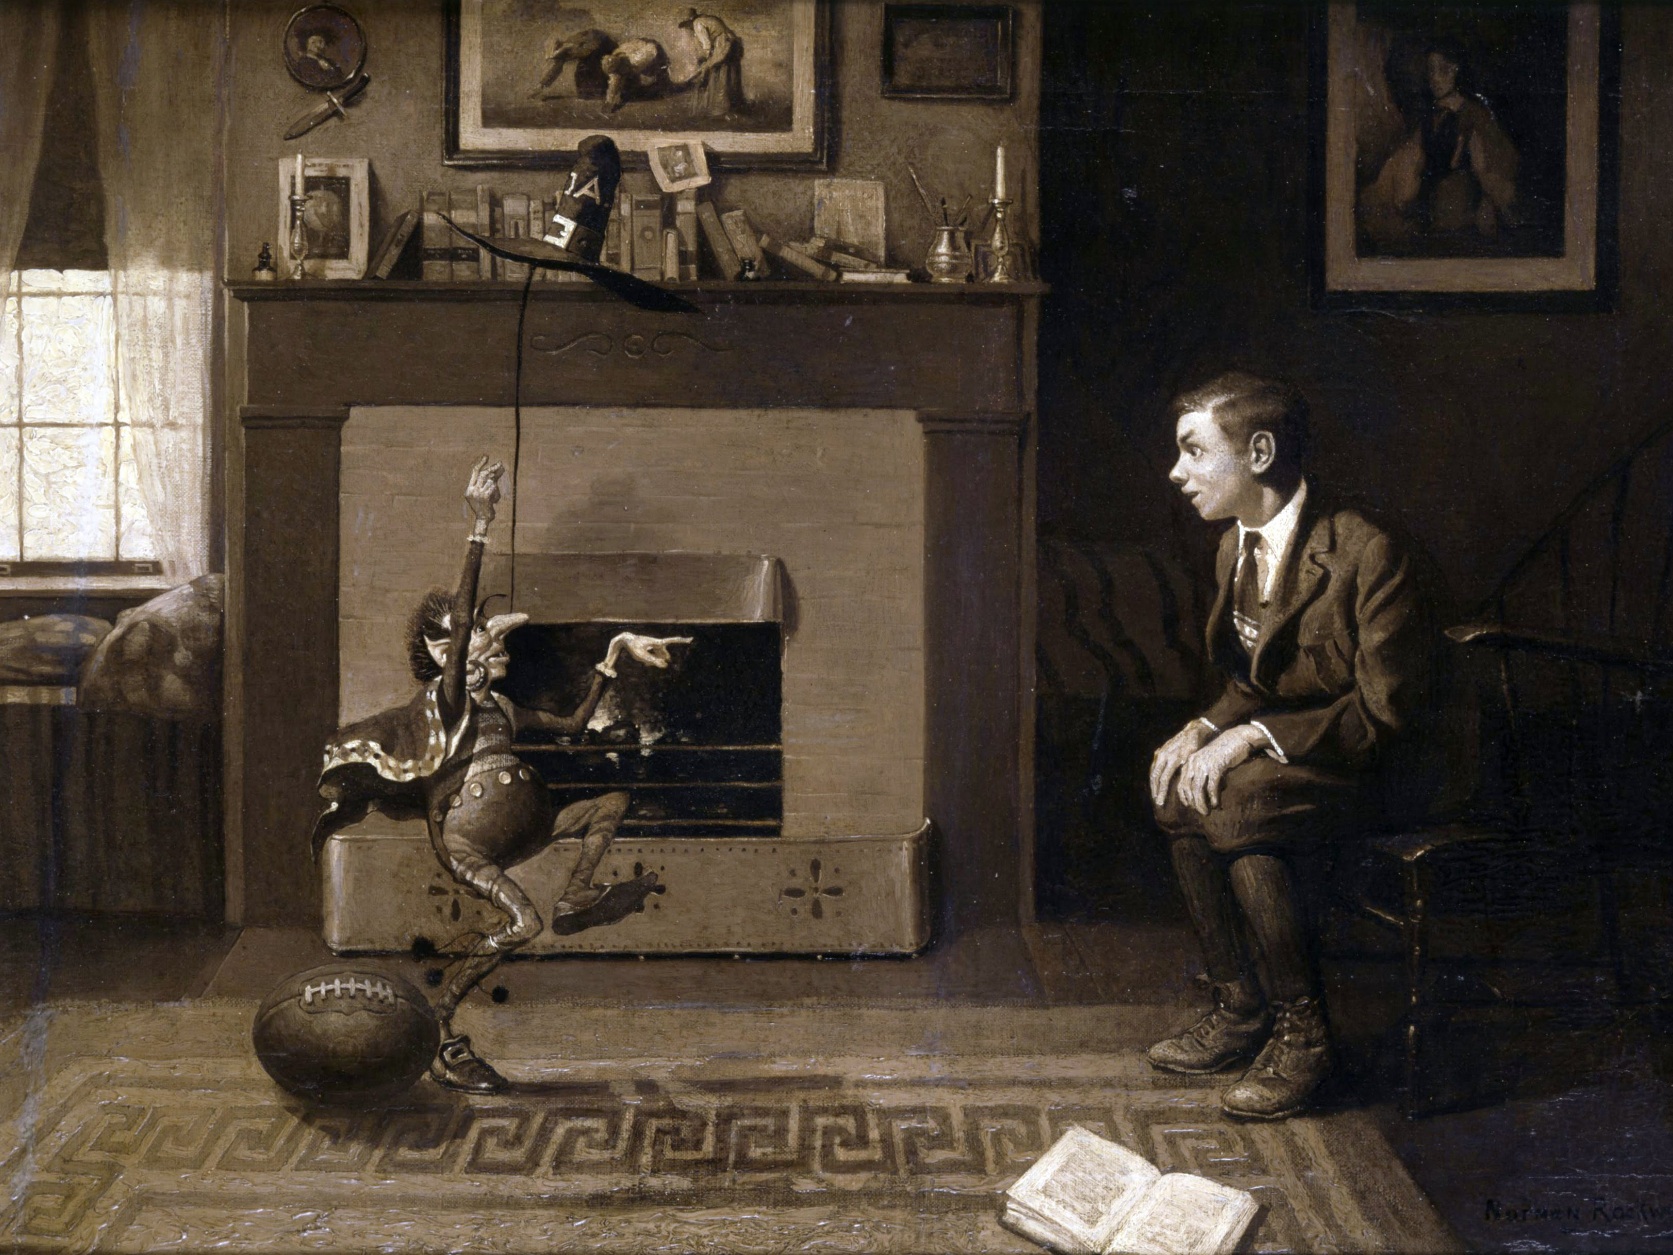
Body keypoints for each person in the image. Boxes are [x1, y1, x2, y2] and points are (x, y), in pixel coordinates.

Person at [311, 457, 688, 1092]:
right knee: (522, 926)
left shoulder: (506, 707)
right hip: (470, 844)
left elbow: (573, 726)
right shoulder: (448, 703)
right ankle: (441, 1027)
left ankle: (577, 895)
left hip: (531, 828)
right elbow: (461, 628)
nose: (489, 646)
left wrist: (615, 651)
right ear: (447, 655)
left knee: (612, 801)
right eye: (475, 641)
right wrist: (479, 525)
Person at [1146, 372, 1438, 1120]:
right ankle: (1241, 1009)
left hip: (1387, 767)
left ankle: (1305, 1035)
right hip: (1302, 762)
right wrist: (1203, 729)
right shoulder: (1233, 551)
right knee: (1182, 790)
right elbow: (1258, 681)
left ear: (1259, 453)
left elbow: (1385, 713)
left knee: (1236, 804)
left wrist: (1252, 736)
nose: (1176, 472)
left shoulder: (1367, 551)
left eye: (1193, 451)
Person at [1361, 41, 1519, 249]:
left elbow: (1486, 169)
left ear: (1456, 71)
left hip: (1458, 204)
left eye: (1443, 70)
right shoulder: (1430, 115)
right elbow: (1410, 156)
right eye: (1431, 70)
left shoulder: (1473, 115)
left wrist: (1488, 202)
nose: (1435, 78)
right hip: (1427, 202)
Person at [678, 7, 744, 118]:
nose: (688, 29)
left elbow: (706, 44)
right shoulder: (707, 18)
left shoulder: (697, 23)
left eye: (686, 26)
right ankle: (734, 106)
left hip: (723, 44)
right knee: (730, 74)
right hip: (733, 43)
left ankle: (720, 109)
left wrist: (706, 61)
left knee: (718, 75)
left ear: (689, 22)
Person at [530, 28, 617, 101]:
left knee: (587, 74)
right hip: (592, 52)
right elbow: (555, 69)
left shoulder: (581, 42)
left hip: (604, 50)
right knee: (584, 85)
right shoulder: (567, 48)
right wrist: (541, 86)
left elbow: (593, 45)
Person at [601, 37, 673, 113]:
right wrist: (609, 102)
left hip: (652, 49)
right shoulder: (615, 62)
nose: (616, 74)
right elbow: (614, 83)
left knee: (652, 79)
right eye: (615, 72)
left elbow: (653, 51)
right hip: (637, 48)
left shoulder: (638, 60)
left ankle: (664, 85)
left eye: (618, 71)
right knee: (625, 79)